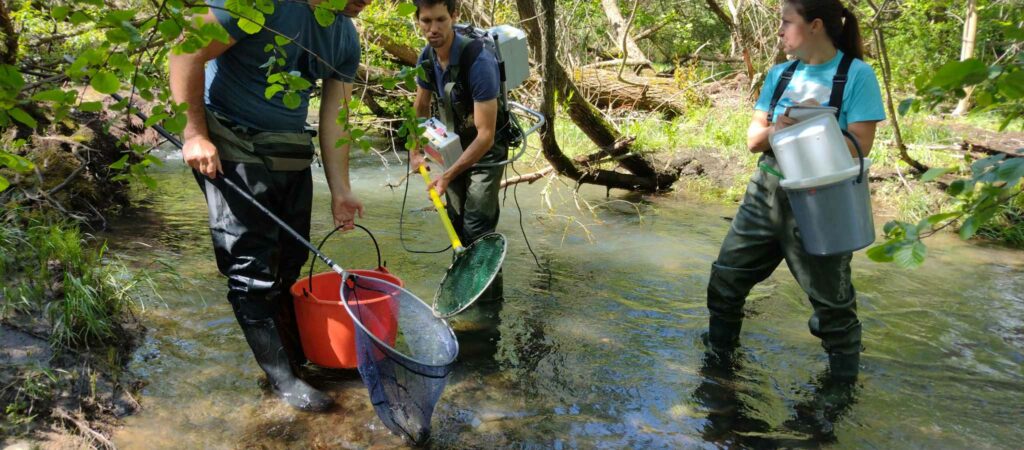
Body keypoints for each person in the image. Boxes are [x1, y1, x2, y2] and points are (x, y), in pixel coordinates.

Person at [168, 0, 371, 412]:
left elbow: (337, 115)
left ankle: (295, 358)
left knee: (291, 260)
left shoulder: (345, 36)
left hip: (286, 146)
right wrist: (194, 135)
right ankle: (283, 379)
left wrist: (341, 189)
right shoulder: (260, 4)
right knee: (253, 265)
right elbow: (185, 49)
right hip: (228, 137)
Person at [704, 0, 885, 382]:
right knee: (725, 282)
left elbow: (860, 146)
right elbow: (755, 140)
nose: (780, 31)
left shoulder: (857, 75)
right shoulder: (780, 75)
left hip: (823, 200)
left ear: (815, 25)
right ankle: (719, 369)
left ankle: (838, 391)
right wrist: (777, 130)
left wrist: (810, 128)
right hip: (765, 191)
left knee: (832, 308)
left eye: (786, 22)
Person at [409, 0, 513, 303]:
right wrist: (415, 150)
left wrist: (448, 175)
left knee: (476, 229)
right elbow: (421, 106)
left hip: (486, 149)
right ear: (418, 21)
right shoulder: (427, 58)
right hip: (453, 143)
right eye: (426, 21)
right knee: (454, 221)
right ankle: (467, 290)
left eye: (441, 20)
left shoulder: (478, 61)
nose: (433, 29)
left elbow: (485, 136)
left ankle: (486, 307)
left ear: (454, 16)